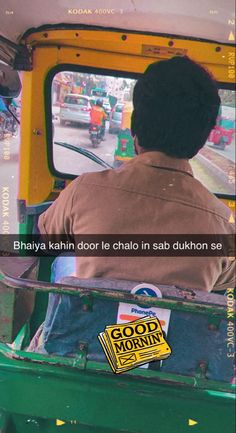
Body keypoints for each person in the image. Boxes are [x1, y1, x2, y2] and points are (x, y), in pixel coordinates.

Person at [36, 56, 235, 355]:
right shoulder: (221, 221)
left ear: (135, 127)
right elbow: (225, 278)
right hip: (175, 365)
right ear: (202, 140)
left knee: (64, 265)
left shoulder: (85, 190)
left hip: (87, 353)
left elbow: (48, 237)